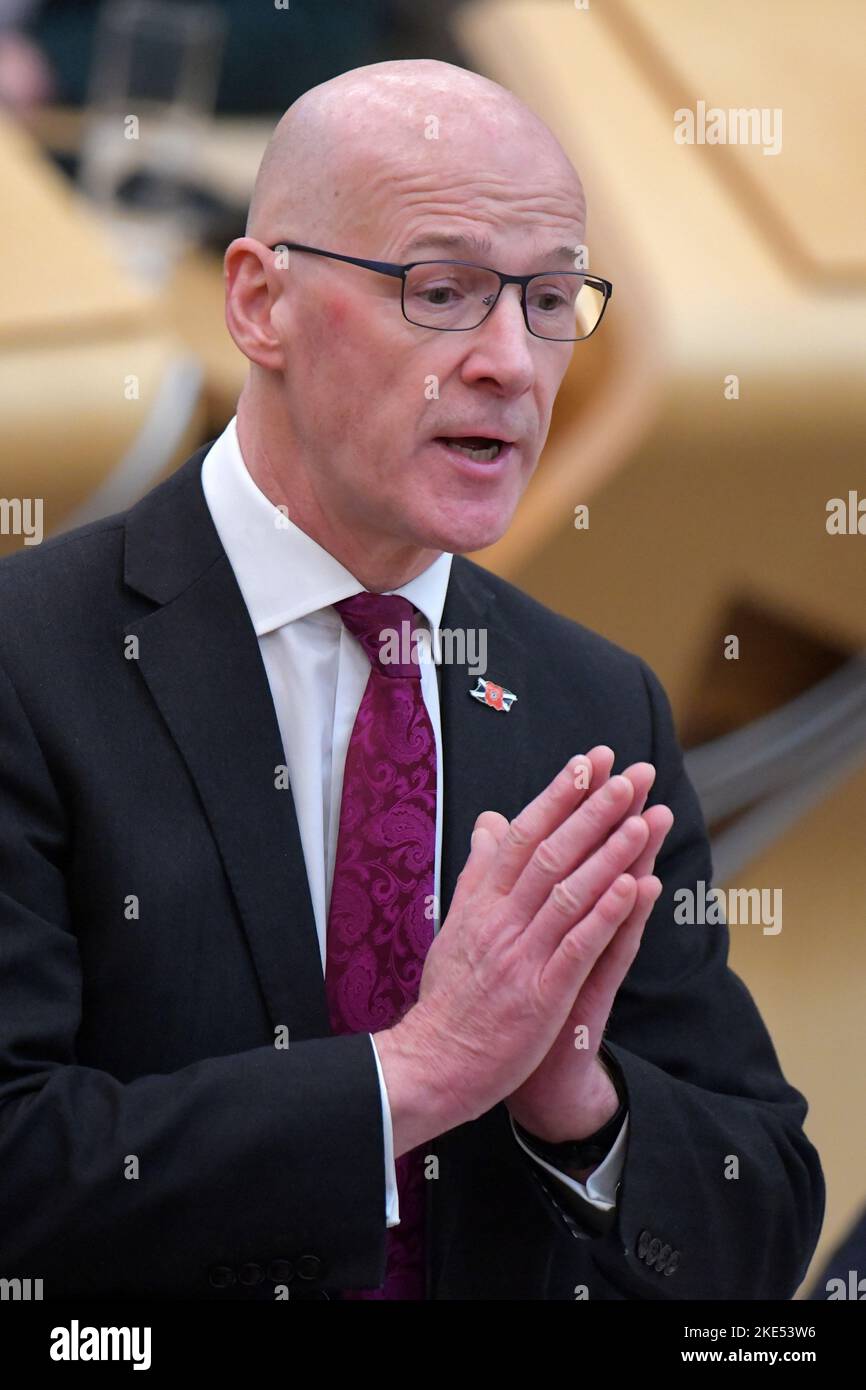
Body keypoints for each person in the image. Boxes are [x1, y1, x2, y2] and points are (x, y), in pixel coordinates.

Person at [0, 59, 823, 1300]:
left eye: (550, 300)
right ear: (258, 300)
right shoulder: (31, 658)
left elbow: (756, 1219)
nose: (509, 361)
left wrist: (576, 1104)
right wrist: (416, 1074)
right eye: (441, 292)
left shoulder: (591, 703)